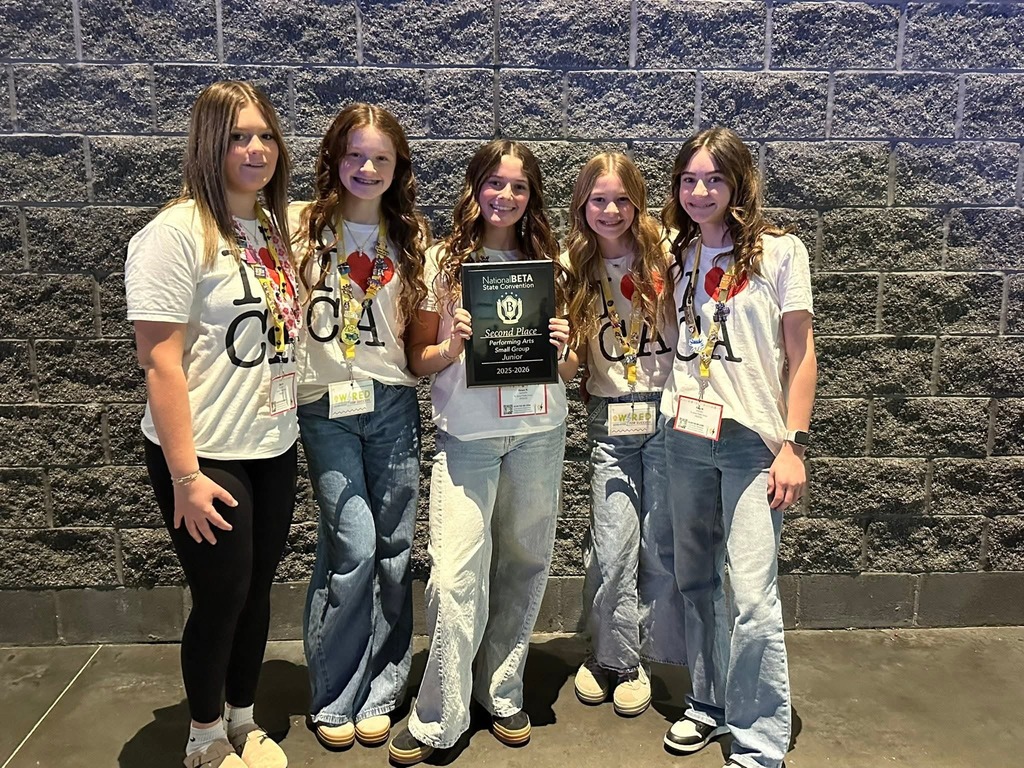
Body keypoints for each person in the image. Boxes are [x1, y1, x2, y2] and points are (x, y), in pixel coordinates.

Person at [387, 139, 577, 765]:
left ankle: (502, 690)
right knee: (454, 571)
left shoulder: (550, 264)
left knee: (523, 563)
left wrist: (564, 344)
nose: (506, 196)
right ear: (476, 187)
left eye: (519, 187)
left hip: (537, 433)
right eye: (496, 183)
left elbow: (572, 368)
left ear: (532, 197)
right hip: (466, 438)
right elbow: (418, 361)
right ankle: (440, 711)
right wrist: (451, 346)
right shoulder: (442, 263)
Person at [125, 80, 298, 768]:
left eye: (265, 135)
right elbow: (160, 364)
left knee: (257, 591)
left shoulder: (269, 227)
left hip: (271, 444)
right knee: (221, 596)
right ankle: (203, 736)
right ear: (208, 144)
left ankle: (242, 717)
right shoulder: (174, 234)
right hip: (205, 454)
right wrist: (185, 477)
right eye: (237, 137)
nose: (255, 149)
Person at [658, 126, 816, 768]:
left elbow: (801, 355)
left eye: (714, 179)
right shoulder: (679, 251)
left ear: (738, 182)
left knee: (751, 593)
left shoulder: (780, 253)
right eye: (689, 180)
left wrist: (794, 445)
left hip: (754, 442)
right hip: (686, 433)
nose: (700, 191)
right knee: (695, 579)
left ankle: (759, 737)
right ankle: (710, 701)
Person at [290, 104, 427, 751]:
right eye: (354, 155)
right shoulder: (298, 227)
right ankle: (333, 692)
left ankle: (383, 687)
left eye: (380, 158)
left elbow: (423, 338)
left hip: (394, 406)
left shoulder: (411, 238)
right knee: (353, 548)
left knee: (396, 553)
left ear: (397, 167)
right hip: (326, 408)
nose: (366, 168)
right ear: (333, 159)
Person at [563, 152, 680, 717]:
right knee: (612, 544)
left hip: (665, 415)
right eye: (598, 200)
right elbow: (564, 364)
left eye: (621, 200)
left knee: (657, 543)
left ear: (638, 201)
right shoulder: (571, 265)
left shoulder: (671, 253)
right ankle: (613, 658)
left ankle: (641, 662)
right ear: (583, 204)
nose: (610, 211)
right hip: (609, 417)